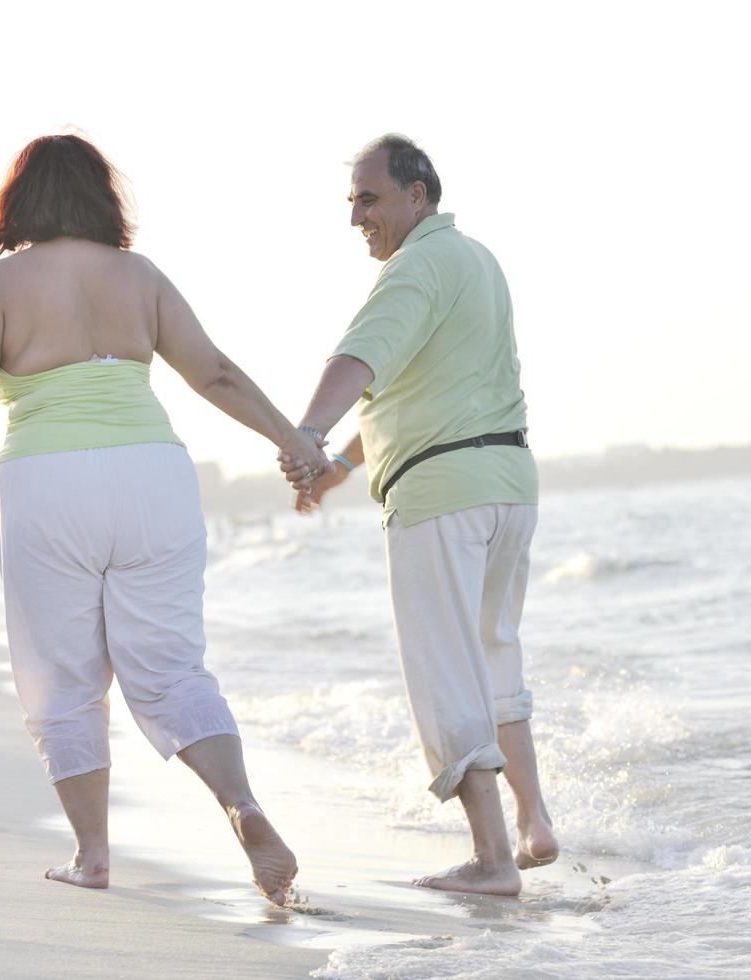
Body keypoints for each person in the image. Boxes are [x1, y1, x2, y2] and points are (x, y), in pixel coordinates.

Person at [0, 133, 328, 905]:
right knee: (174, 668)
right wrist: (291, 439)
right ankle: (243, 805)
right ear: (101, 197)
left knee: (63, 679)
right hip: (154, 474)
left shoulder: (2, 285)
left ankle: (92, 855)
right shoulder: (140, 277)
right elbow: (213, 372)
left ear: (19, 200)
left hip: (49, 484)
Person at [279, 134, 559, 896]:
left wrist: (308, 435)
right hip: (508, 484)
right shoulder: (477, 261)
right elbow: (424, 394)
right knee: (494, 653)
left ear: (418, 195)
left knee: (444, 673)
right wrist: (339, 468)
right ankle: (534, 820)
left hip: (441, 498)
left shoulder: (414, 267)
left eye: (369, 199)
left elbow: (360, 359)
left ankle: (494, 860)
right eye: (352, 202)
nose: (356, 217)